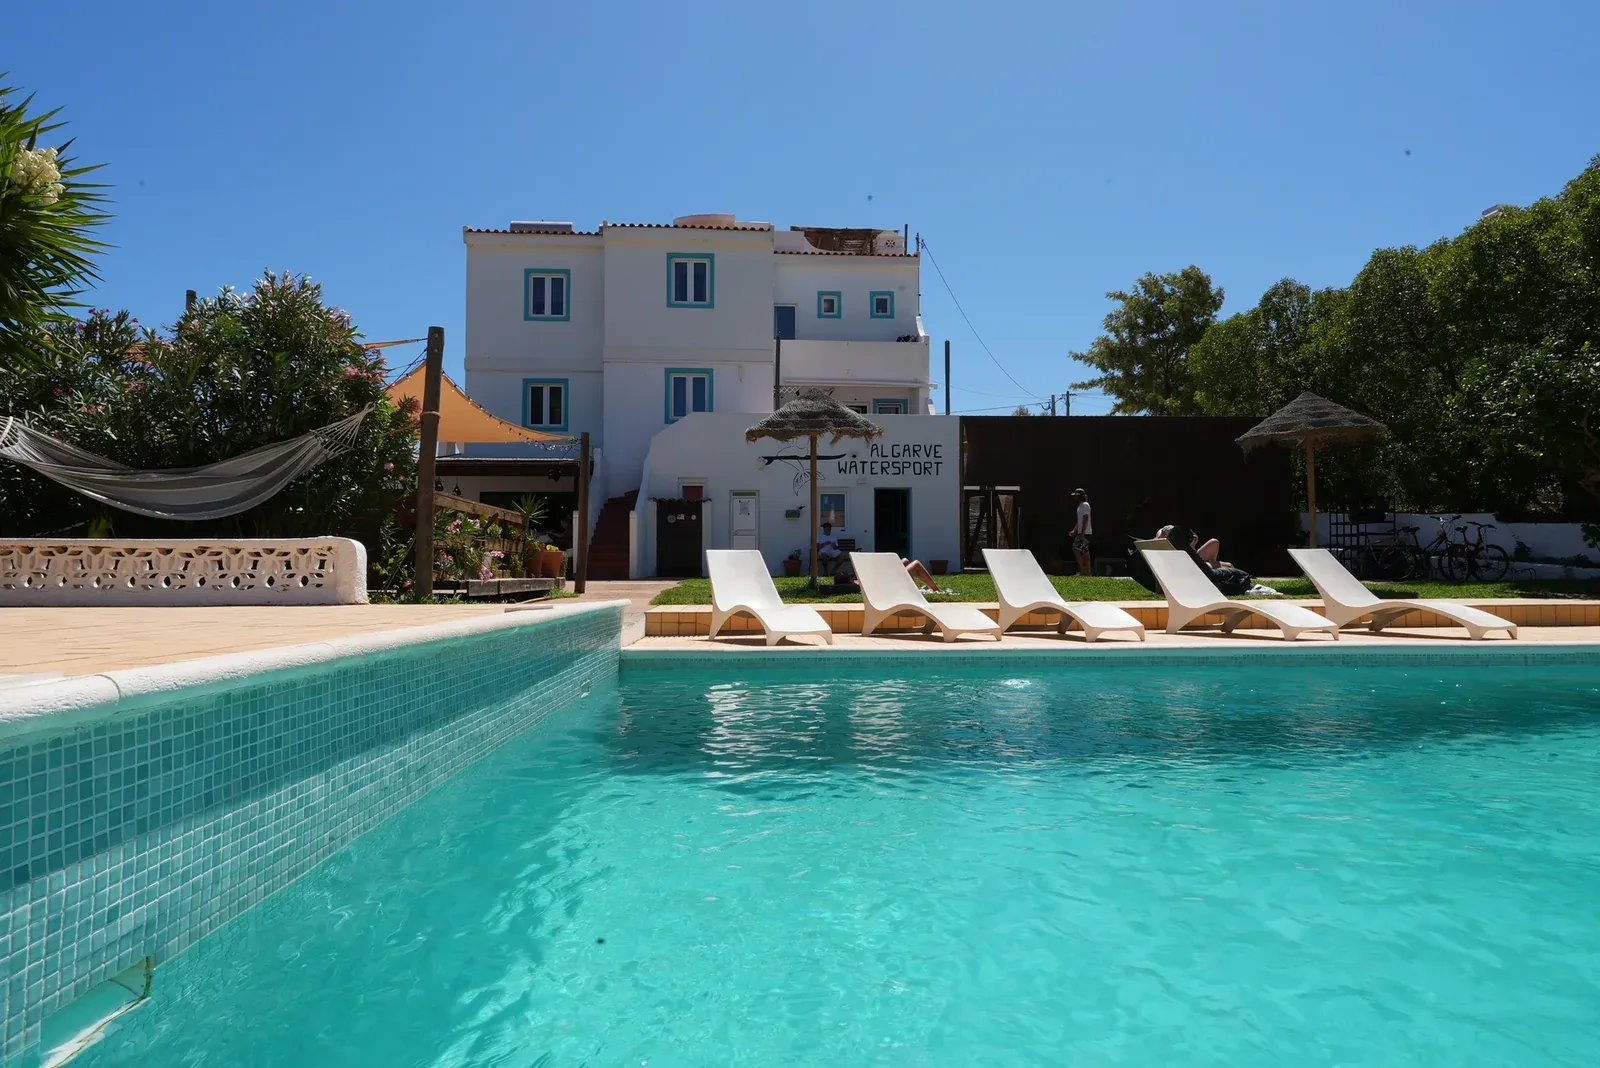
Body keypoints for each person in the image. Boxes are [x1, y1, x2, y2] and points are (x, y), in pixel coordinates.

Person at [1070, 487, 1093, 576]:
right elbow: (1079, 520)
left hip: (1085, 533)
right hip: (1082, 532)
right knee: (1085, 553)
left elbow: (1085, 518)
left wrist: (1082, 532)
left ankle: (1083, 571)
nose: (1075, 498)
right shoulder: (1080, 506)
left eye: (1076, 496)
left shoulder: (1085, 505)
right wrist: (1075, 530)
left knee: (1076, 549)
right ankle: (1088, 573)